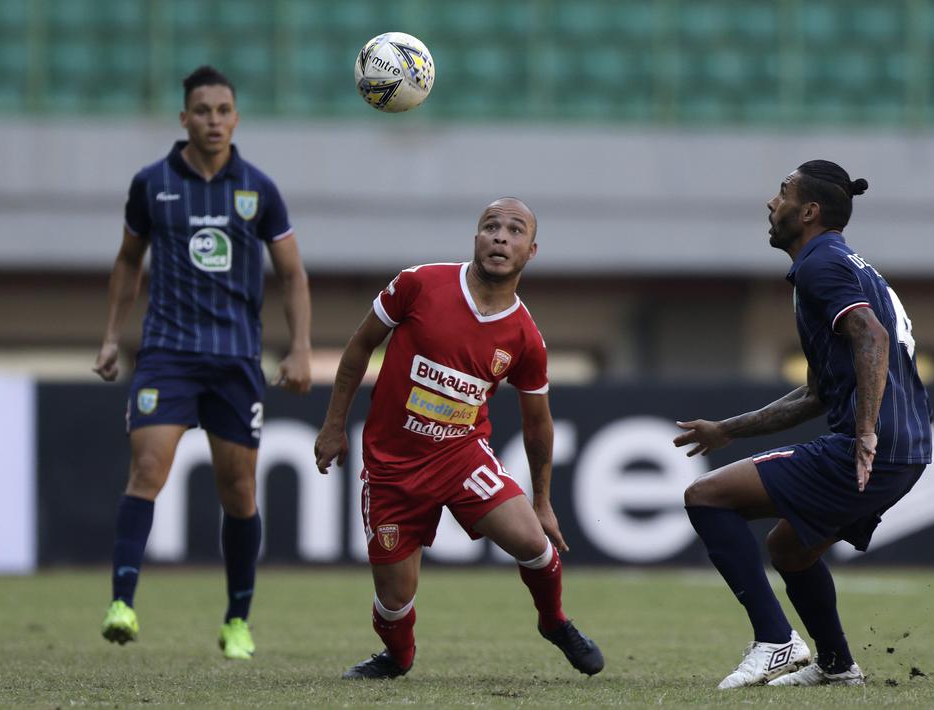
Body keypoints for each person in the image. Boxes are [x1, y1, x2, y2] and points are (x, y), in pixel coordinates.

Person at [314, 198, 604, 679]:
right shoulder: (419, 284)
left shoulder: (525, 337)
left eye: (515, 230)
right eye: (491, 226)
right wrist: (333, 425)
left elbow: (538, 423)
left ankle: (554, 621)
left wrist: (542, 501)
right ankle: (398, 657)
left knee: (535, 545)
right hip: (391, 466)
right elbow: (361, 346)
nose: (500, 236)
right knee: (394, 600)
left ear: (531, 251)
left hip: (461, 457)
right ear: (476, 238)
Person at [674, 160, 932, 688]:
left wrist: (865, 431)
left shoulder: (821, 265)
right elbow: (816, 393)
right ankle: (837, 666)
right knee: (789, 549)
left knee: (706, 496)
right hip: (904, 448)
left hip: (874, 445)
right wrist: (729, 429)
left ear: (809, 211)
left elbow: (873, 336)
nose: (772, 203)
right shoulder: (841, 263)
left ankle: (775, 640)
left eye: (783, 193)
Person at [93, 66, 312, 660]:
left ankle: (237, 619)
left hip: (236, 359)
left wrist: (300, 347)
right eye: (202, 110)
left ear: (235, 118)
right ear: (184, 118)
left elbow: (292, 274)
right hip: (168, 353)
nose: (213, 120)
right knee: (147, 469)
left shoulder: (259, 189)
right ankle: (121, 604)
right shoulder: (152, 183)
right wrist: (111, 337)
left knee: (238, 491)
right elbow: (128, 260)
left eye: (222, 110)